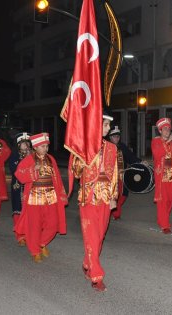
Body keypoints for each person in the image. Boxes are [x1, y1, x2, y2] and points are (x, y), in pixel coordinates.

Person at [70, 111, 119, 292]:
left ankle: (86, 262)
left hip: (105, 197)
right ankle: (96, 277)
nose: (108, 128)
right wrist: (83, 156)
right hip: (88, 197)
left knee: (99, 236)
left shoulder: (112, 148)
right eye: (105, 125)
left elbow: (114, 174)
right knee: (91, 236)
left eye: (108, 125)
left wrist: (114, 197)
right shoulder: (83, 147)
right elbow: (75, 172)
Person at [14, 133, 67, 263]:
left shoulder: (51, 159)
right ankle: (35, 251)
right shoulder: (29, 160)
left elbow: (58, 178)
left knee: (53, 224)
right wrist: (33, 170)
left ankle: (42, 243)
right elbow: (19, 175)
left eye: (47, 146)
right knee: (34, 226)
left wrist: (61, 194)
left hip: (50, 197)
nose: (45, 148)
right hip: (34, 198)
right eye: (42, 146)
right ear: (36, 147)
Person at [107, 125, 142, 220]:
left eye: (118, 136)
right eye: (114, 136)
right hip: (110, 177)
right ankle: (114, 213)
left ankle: (114, 210)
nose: (116, 138)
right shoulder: (106, 146)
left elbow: (131, 157)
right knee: (112, 195)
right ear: (110, 137)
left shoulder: (122, 146)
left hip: (122, 176)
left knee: (124, 195)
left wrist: (140, 161)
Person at [8, 132, 31, 246]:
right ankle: (20, 235)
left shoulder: (33, 155)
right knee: (18, 210)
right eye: (23, 143)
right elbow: (14, 170)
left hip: (30, 187)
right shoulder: (14, 156)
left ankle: (28, 233)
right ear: (18, 145)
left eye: (27, 143)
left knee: (29, 211)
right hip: (17, 187)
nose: (26, 145)